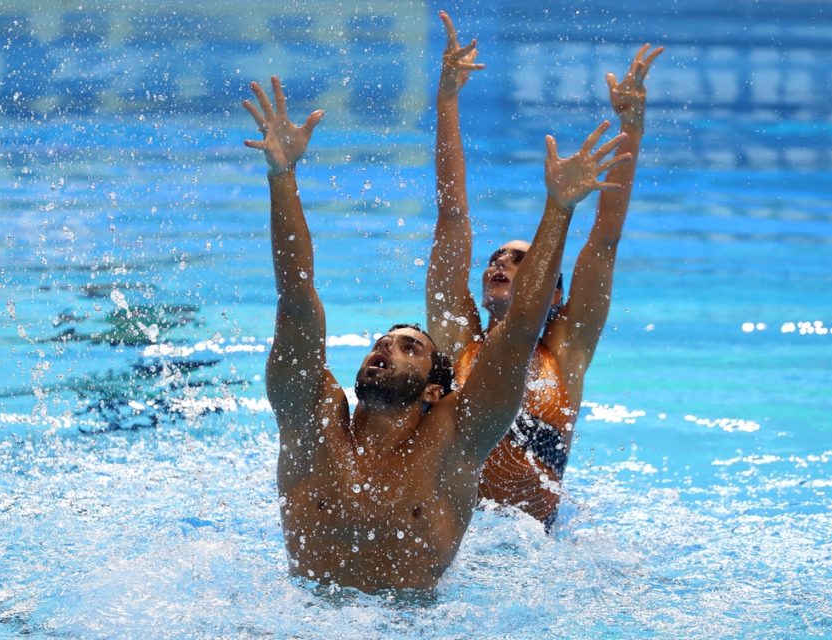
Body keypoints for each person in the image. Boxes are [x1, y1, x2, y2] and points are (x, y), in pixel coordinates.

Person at [243, 76, 629, 592]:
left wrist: (558, 210)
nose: (386, 346)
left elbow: (516, 335)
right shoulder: (311, 419)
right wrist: (282, 175)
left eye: (410, 348)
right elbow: (295, 300)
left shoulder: (455, 440)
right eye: (384, 340)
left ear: (433, 389)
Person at [426, 11, 663, 529]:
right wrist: (447, 99)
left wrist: (631, 130)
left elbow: (604, 242)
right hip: (453, 544)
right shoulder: (457, 341)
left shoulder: (566, 354)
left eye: (521, 260)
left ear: (553, 296)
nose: (500, 264)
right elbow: (451, 217)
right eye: (495, 259)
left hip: (536, 553)